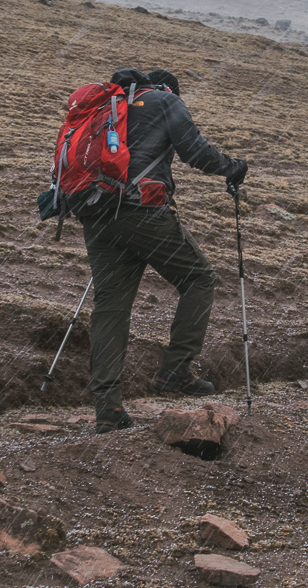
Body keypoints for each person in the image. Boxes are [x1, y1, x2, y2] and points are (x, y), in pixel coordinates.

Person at [81, 67, 248, 433]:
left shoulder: (106, 109)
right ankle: (175, 369)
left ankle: (107, 407)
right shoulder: (165, 100)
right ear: (169, 89)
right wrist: (232, 168)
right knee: (199, 278)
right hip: (141, 211)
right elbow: (196, 152)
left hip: (95, 213)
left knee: (110, 306)